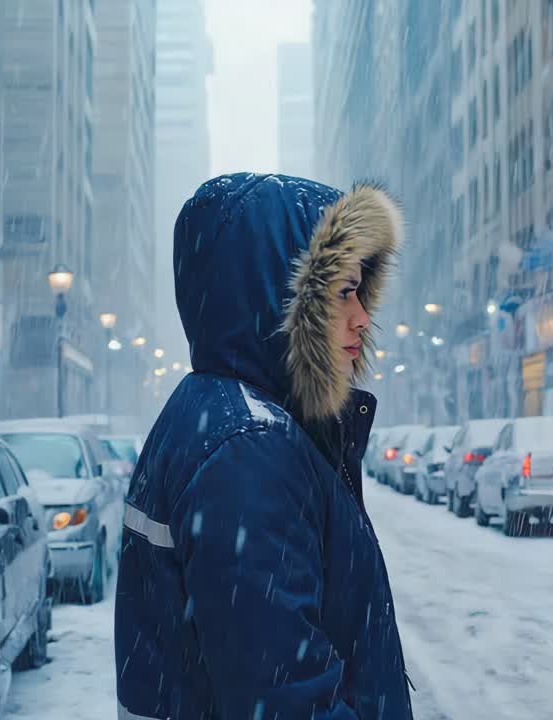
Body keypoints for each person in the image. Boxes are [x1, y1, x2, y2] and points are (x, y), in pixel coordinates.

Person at [115, 173, 412, 720]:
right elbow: (288, 703)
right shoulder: (248, 450)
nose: (362, 317)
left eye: (362, 291)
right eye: (344, 291)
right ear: (280, 299)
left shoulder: (227, 418)